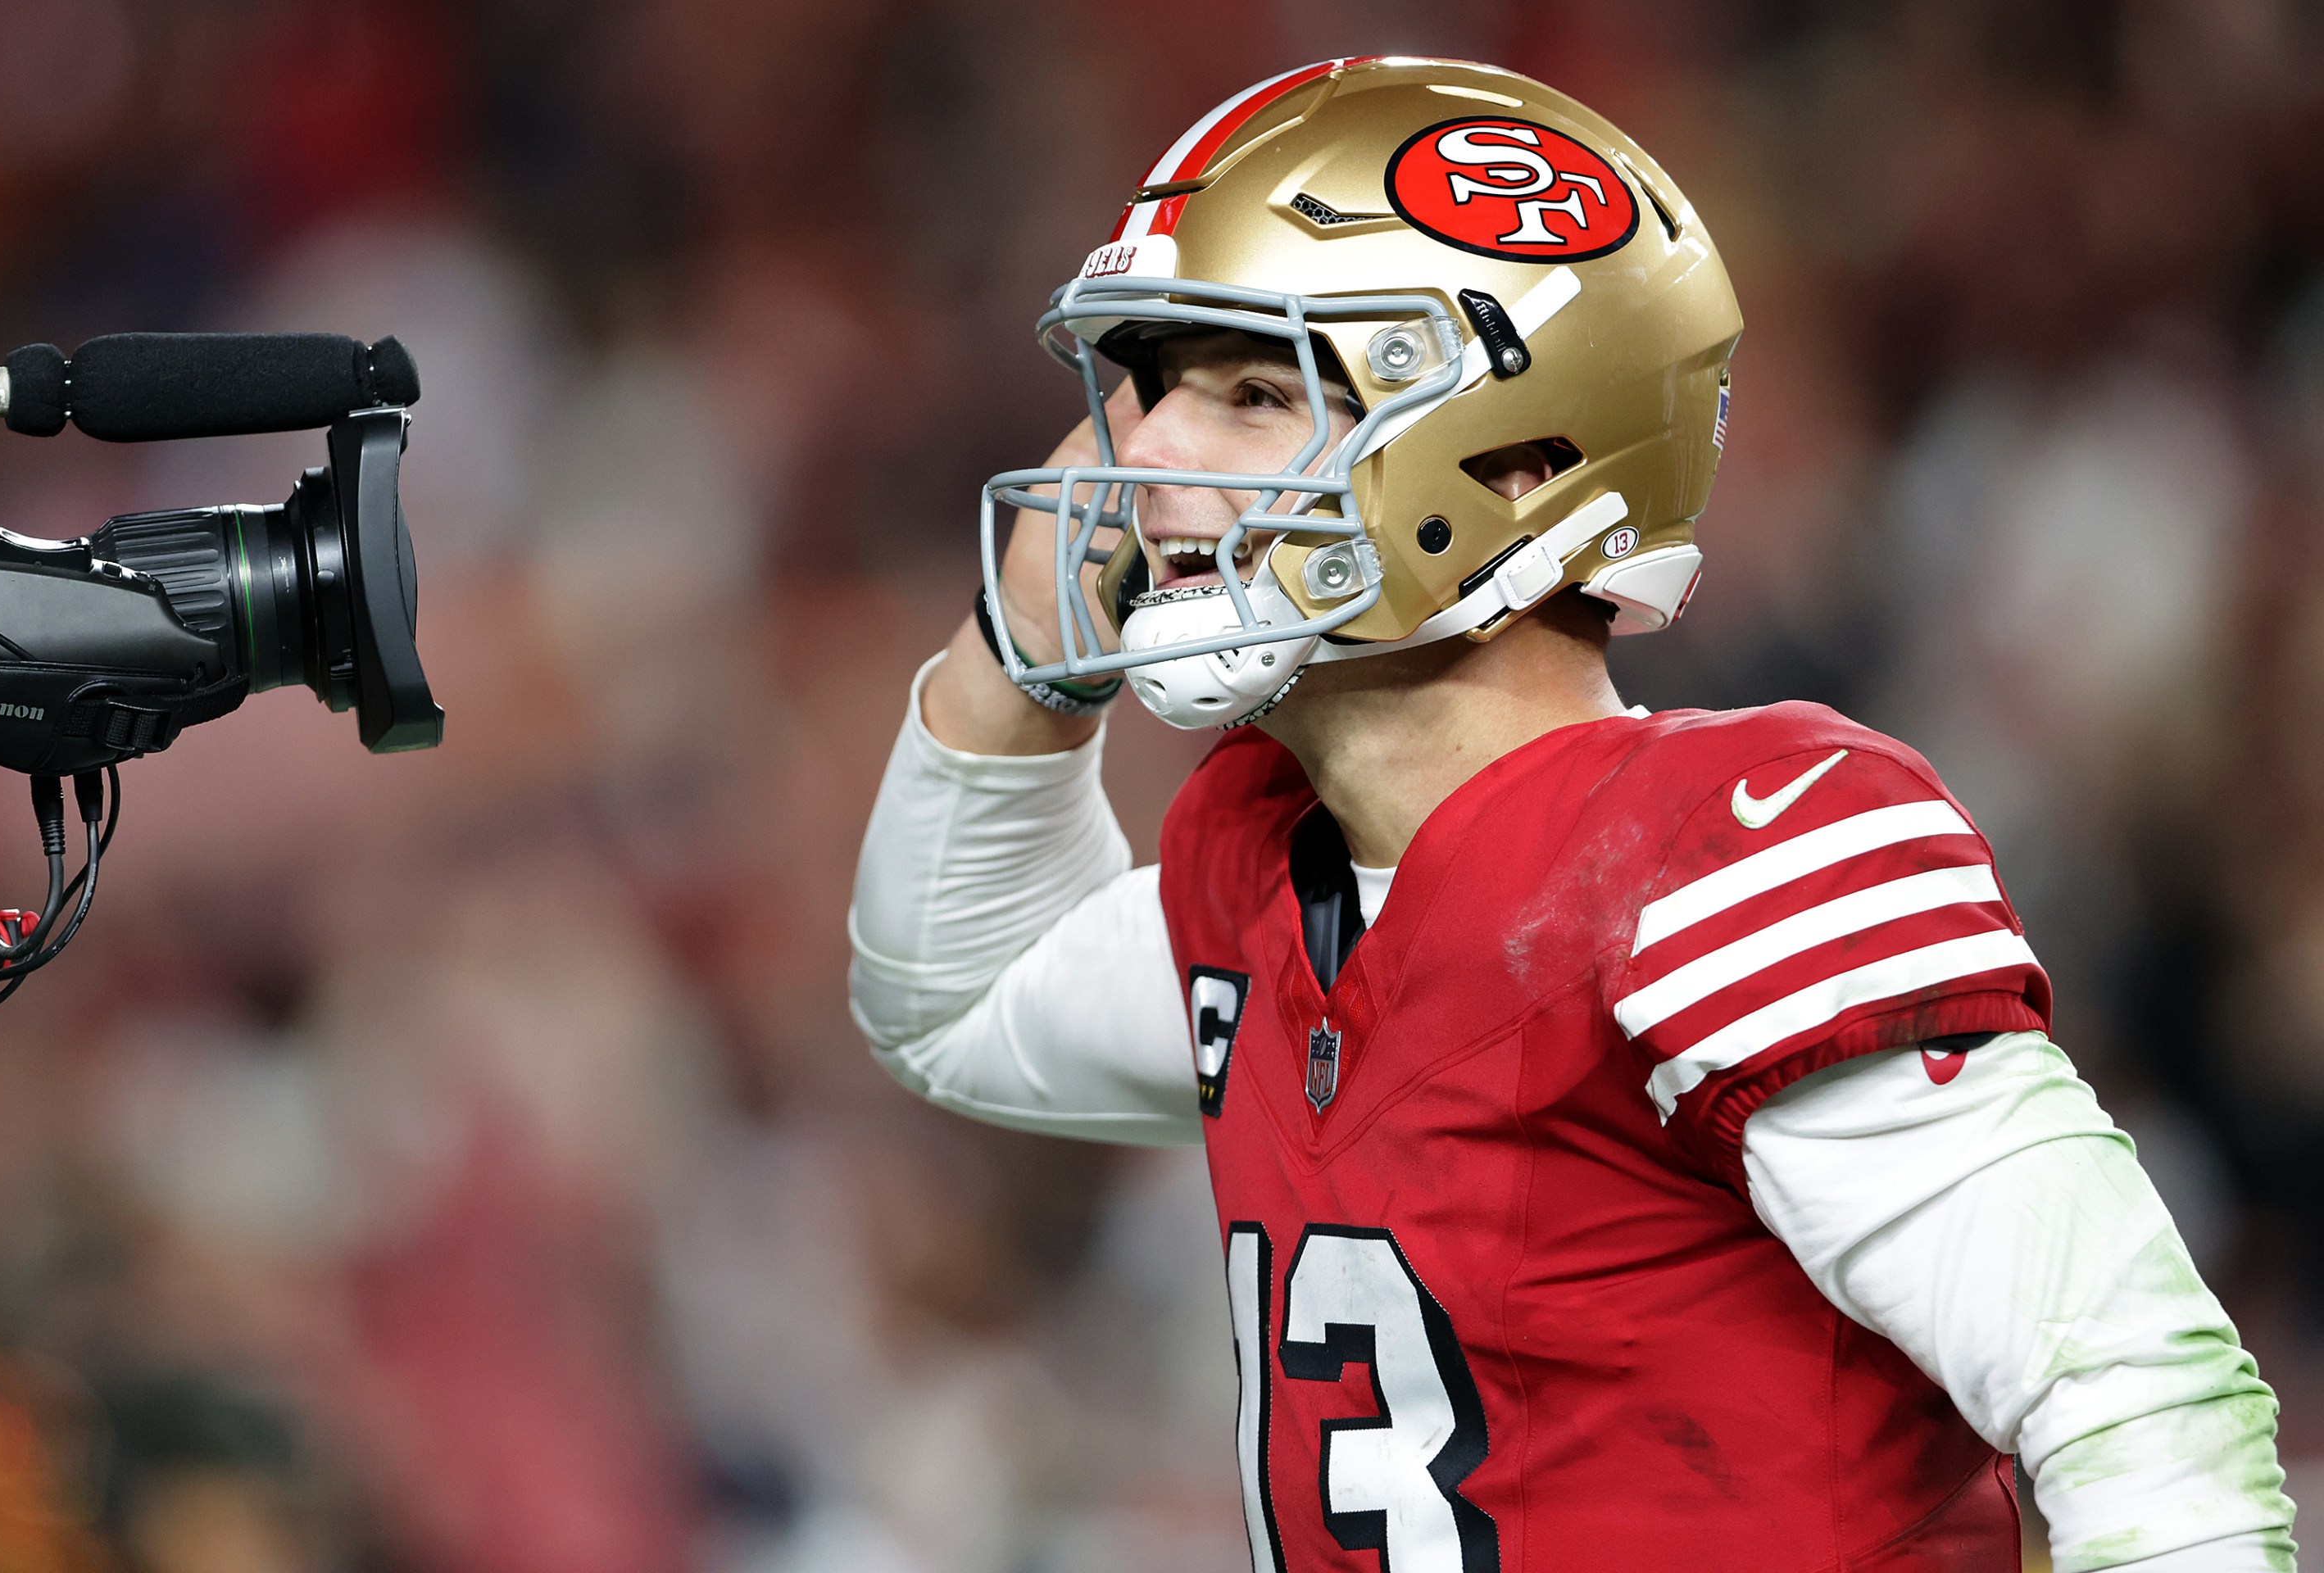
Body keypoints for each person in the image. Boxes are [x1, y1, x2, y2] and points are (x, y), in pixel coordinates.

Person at [848, 57, 2296, 1571]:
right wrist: (1025, 644)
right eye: (1151, 390)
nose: (1137, 453)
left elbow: (2141, 1405)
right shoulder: (1267, 868)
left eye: (1257, 395)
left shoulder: (1720, 858)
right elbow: (953, 1000)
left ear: (1519, 465)